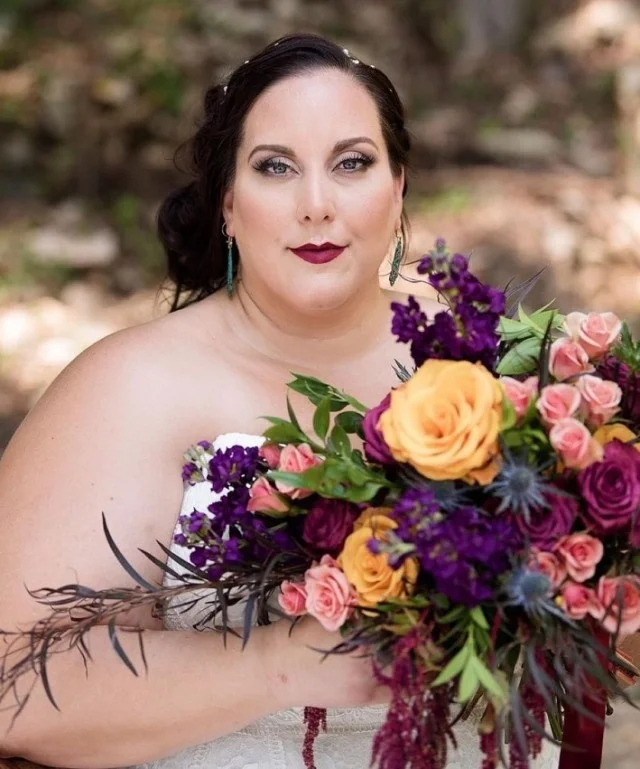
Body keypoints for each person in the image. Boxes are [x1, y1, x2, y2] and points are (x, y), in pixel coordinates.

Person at [0, 33, 562, 769]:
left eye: (352, 163)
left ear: (398, 188)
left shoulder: (488, 355)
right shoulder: (130, 385)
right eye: (275, 167)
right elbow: (16, 691)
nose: (316, 205)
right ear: (228, 204)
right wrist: (278, 665)